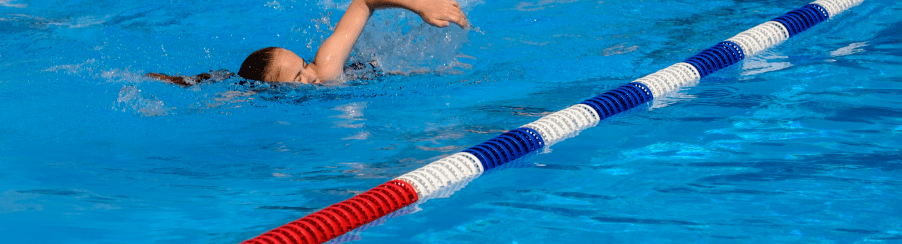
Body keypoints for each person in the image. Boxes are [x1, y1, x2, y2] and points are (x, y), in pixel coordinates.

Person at [147, 0, 469, 86]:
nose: (310, 76)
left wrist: (421, 5)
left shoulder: (326, 67)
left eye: (304, 66)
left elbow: (365, 1)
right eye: (298, 78)